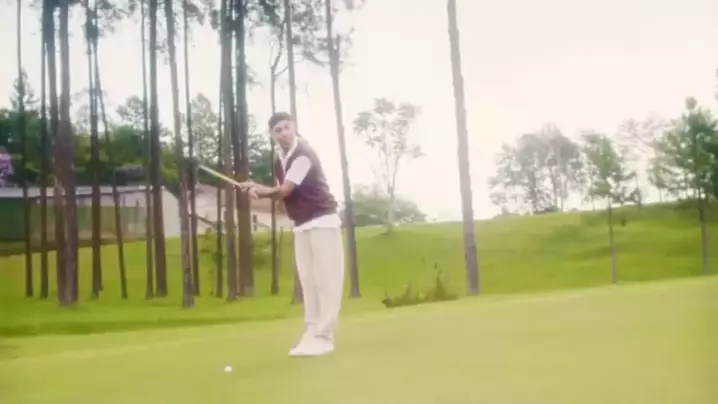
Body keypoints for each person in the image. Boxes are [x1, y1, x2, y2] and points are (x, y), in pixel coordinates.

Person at [239, 112, 345, 357]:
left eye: (287, 127)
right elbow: (282, 193)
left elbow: (285, 190)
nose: (284, 133)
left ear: (293, 127)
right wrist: (258, 191)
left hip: (323, 220)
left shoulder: (303, 154)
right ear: (272, 135)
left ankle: (325, 337)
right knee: (308, 281)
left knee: (326, 280)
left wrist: (261, 190)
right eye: (278, 130)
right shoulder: (279, 160)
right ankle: (311, 332)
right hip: (302, 224)